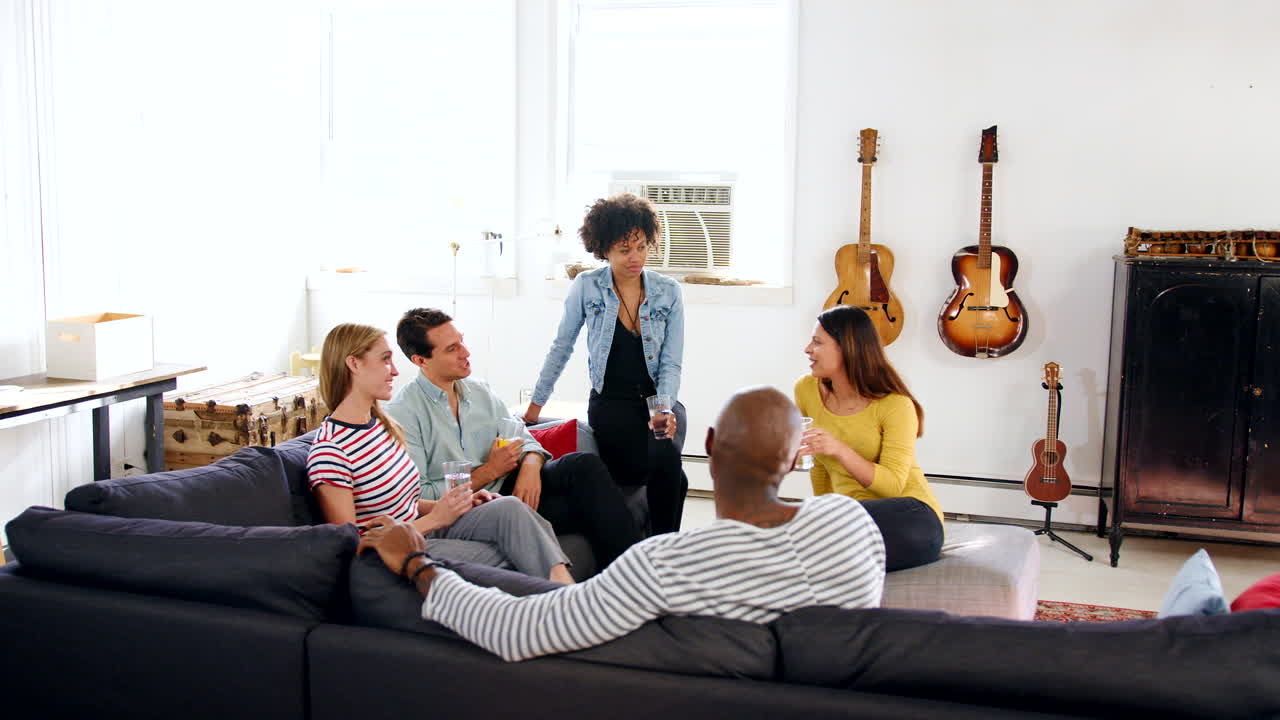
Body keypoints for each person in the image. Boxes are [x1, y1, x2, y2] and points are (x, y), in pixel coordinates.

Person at [357, 386, 886, 662]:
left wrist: (415, 561)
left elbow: (517, 631)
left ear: (706, 445)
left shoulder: (660, 565)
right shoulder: (853, 525)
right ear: (796, 459)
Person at [306, 322, 572, 583]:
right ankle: (571, 608)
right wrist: (435, 518)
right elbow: (353, 545)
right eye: (386, 360)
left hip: (426, 528)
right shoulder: (331, 451)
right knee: (513, 550)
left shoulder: (381, 427)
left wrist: (455, 504)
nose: (396, 371)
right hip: (395, 553)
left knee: (510, 509)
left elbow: (405, 504)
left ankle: (572, 598)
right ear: (354, 364)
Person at [384, 308, 642, 570]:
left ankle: (640, 572)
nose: (466, 352)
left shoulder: (479, 390)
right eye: (452, 349)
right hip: (476, 508)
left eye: (461, 341)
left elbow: (522, 435)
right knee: (594, 510)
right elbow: (418, 494)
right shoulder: (402, 414)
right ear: (420, 360)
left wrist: (530, 465)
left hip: (514, 485)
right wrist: (488, 471)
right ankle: (635, 579)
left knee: (582, 466)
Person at [524, 194, 688, 535]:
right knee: (672, 474)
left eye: (642, 247)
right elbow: (561, 347)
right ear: (603, 249)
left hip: (658, 401)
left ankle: (662, 551)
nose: (636, 258)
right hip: (611, 404)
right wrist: (534, 407)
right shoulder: (587, 287)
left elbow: (671, 363)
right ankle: (663, 549)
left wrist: (663, 407)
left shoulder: (668, 292)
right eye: (624, 249)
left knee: (665, 451)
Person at [794, 305, 944, 571]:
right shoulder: (806, 390)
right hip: (850, 516)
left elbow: (892, 487)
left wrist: (839, 449)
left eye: (817, 342)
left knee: (819, 538)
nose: (807, 349)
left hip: (911, 516)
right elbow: (819, 469)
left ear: (847, 348)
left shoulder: (895, 405)